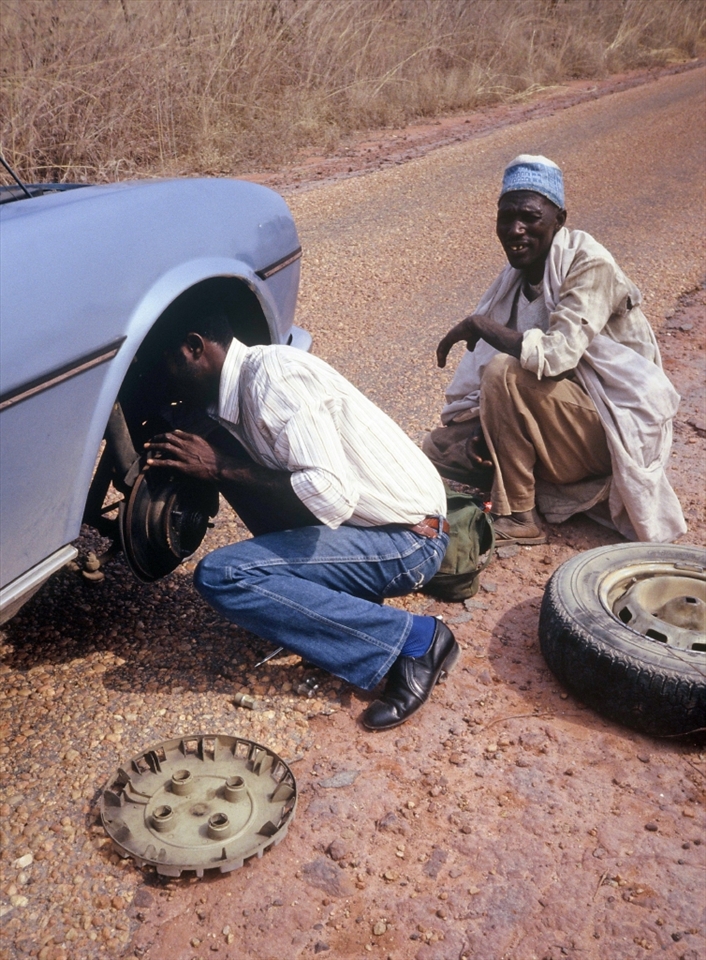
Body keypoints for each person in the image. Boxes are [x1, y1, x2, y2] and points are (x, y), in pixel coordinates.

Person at [144, 311, 459, 731]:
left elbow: (329, 491)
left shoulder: (273, 379)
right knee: (232, 468)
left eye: (164, 361)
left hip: (410, 540)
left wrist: (220, 468)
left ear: (194, 347)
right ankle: (335, 606)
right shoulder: (234, 391)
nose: (162, 376)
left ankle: (416, 640)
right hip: (371, 526)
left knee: (224, 575)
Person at [423, 154, 685, 544]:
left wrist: (479, 325)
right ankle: (517, 464)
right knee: (439, 446)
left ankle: (520, 516)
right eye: (506, 217)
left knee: (503, 371)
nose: (515, 230)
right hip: (560, 419)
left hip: (610, 428)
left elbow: (556, 357)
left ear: (559, 220)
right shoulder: (514, 279)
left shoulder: (589, 263)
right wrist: (489, 426)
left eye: (530, 218)